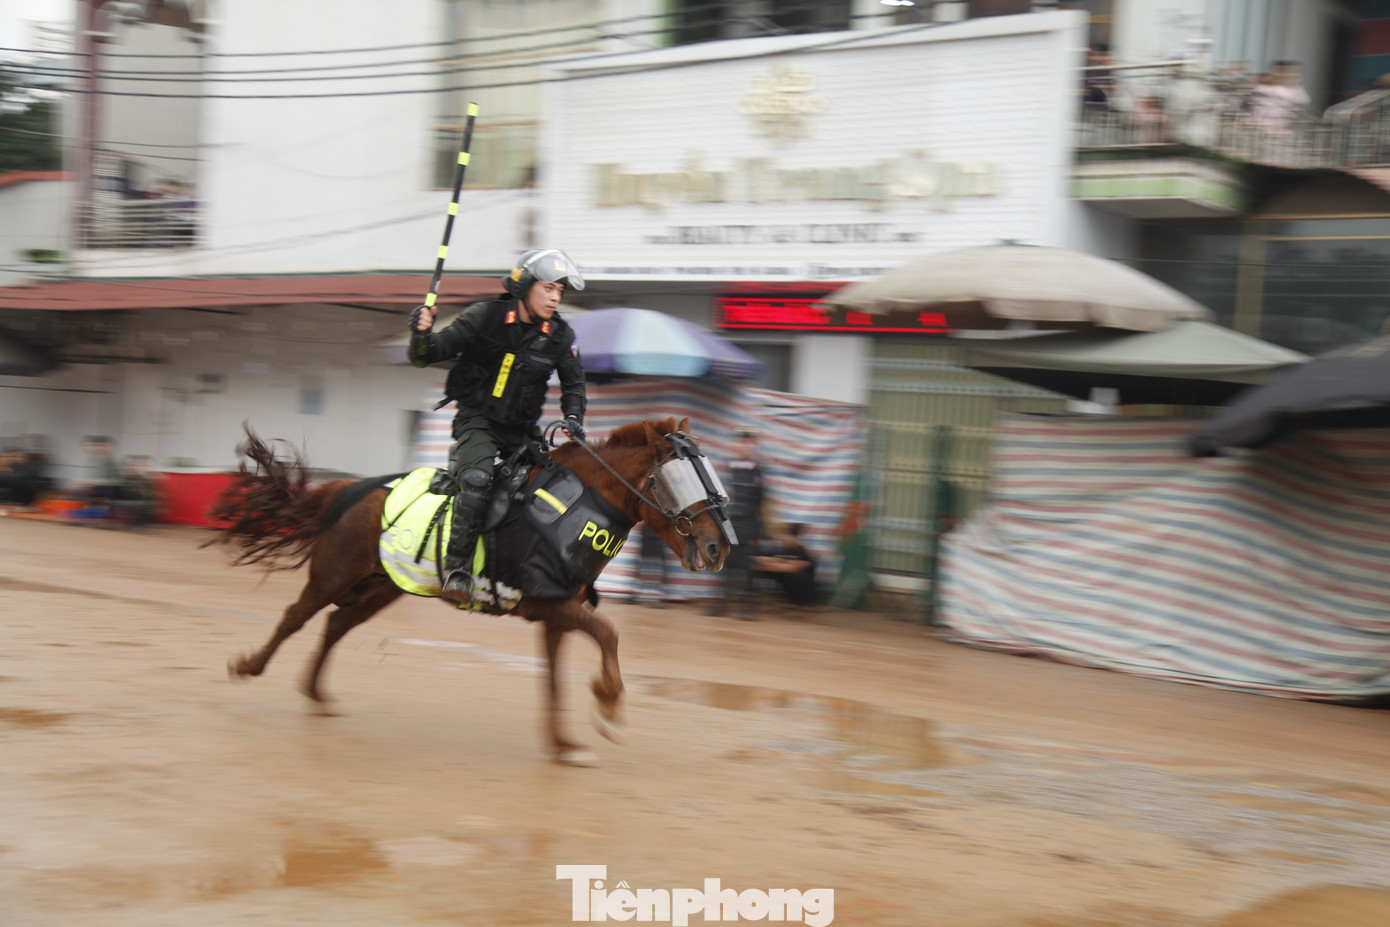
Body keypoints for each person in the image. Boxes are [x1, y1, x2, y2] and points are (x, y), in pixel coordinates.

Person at [408, 249, 587, 605]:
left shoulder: (561, 335)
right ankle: (457, 569)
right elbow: (425, 355)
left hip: (522, 431)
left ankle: (539, 571)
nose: (555, 297)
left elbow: (574, 384)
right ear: (523, 285)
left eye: (560, 291)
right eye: (549, 288)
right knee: (476, 481)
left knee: (557, 487)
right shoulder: (483, 316)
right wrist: (421, 333)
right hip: (478, 422)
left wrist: (573, 418)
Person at [707, 427, 765, 619]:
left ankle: (747, 607)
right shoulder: (728, 470)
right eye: (741, 442)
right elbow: (717, 498)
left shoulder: (758, 471)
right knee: (724, 560)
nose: (745, 447)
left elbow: (762, 503)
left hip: (748, 523)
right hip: (730, 520)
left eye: (749, 443)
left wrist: (758, 532)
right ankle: (719, 604)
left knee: (747, 565)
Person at [752, 522, 818, 610]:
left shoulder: (801, 552)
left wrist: (772, 563)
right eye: (782, 535)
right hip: (790, 598)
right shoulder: (782, 550)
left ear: (796, 538)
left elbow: (791, 568)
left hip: (804, 599)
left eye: (787, 536)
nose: (782, 538)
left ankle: (799, 605)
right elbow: (757, 563)